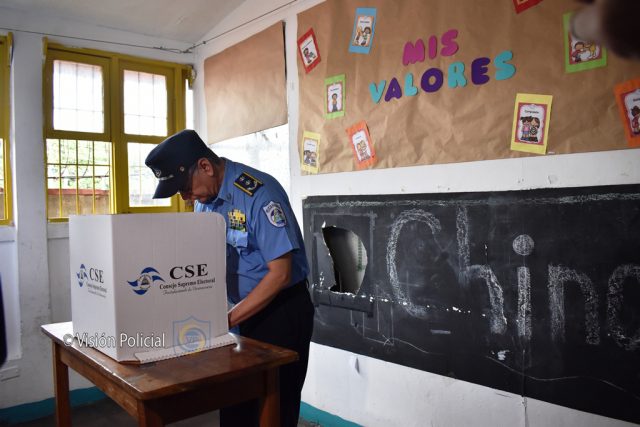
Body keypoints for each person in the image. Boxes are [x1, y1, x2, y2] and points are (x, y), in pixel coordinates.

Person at [145, 129, 315, 427]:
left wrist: (224, 321)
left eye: (184, 188)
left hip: (281, 312)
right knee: (235, 405)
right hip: (240, 314)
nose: (186, 198)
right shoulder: (205, 200)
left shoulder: (258, 194)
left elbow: (280, 274)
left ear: (205, 166)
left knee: (275, 408)